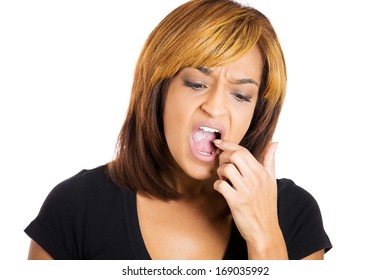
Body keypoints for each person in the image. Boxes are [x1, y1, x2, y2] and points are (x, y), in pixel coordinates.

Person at [25, 0, 332, 260]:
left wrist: (265, 239)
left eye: (240, 95)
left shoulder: (294, 213)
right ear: (159, 91)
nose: (215, 107)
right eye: (196, 83)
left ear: (257, 112)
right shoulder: (76, 206)